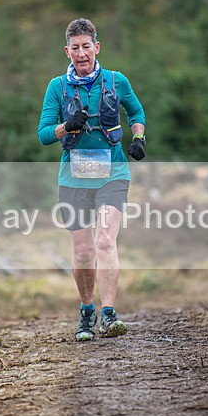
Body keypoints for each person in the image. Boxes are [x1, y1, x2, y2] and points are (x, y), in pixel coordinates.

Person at [37, 18, 146, 342]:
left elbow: (136, 114)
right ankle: (87, 310)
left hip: (113, 171)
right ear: (67, 51)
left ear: (96, 48)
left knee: (104, 241)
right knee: (83, 252)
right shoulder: (58, 87)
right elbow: (44, 135)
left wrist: (138, 138)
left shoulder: (116, 81)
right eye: (75, 48)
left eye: (87, 46)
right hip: (74, 176)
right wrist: (66, 125)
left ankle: (109, 312)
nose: (81, 53)